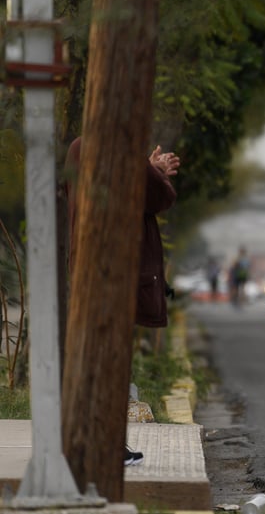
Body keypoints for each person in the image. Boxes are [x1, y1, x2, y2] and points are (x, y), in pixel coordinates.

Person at [65, 137, 180, 466]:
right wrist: (154, 171)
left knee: (95, 357)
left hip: (88, 268)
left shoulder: (77, 148)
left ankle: (98, 443)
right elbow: (159, 196)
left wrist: (148, 168)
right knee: (108, 362)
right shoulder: (119, 147)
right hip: (115, 272)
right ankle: (103, 447)